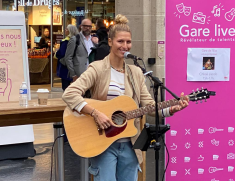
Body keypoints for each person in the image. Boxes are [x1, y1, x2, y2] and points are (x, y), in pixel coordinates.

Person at [62, 14, 189, 181]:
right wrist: (95, 113)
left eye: (128, 42)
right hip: (103, 142)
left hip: (130, 143)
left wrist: (171, 109)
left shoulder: (135, 73)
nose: (125, 46)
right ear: (110, 42)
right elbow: (69, 94)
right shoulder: (97, 69)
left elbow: (149, 106)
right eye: (120, 41)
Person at [55, 25, 79, 90]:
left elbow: (61, 53)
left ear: (70, 31)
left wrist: (57, 53)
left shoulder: (65, 41)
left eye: (66, 29)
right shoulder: (78, 41)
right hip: (75, 65)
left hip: (65, 66)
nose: (65, 30)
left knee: (65, 85)